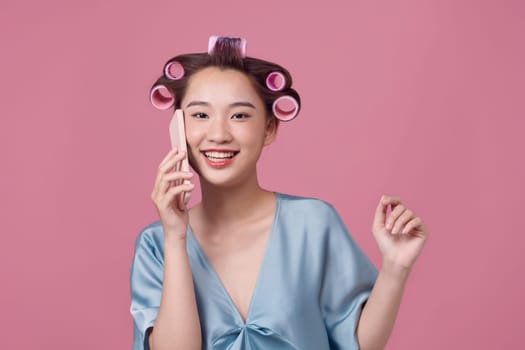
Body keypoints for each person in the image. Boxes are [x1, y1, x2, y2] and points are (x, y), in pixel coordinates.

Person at [130, 36, 428, 350]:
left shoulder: (313, 224)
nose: (218, 134)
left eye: (240, 115)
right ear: (177, 128)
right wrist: (176, 237)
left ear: (269, 128)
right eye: (200, 115)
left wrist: (396, 267)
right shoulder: (156, 244)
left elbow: (357, 344)